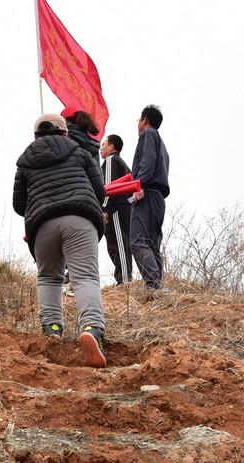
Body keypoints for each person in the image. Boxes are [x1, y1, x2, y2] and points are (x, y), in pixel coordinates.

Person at [12, 114, 109, 368]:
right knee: (85, 276)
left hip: (42, 225)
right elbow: (100, 192)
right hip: (79, 219)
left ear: (35, 137)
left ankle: (52, 330)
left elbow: (18, 205)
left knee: (48, 277)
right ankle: (91, 328)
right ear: (64, 132)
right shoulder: (80, 152)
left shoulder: (24, 161)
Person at [129, 105, 170, 294]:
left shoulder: (148, 135)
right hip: (158, 198)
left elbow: (147, 162)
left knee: (137, 241)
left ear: (144, 120)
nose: (138, 123)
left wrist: (139, 185)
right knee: (152, 243)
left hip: (146, 193)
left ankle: (152, 283)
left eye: (139, 119)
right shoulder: (162, 144)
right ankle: (158, 286)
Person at [100, 134, 133, 284]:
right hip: (124, 207)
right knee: (120, 242)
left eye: (103, 145)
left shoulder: (111, 160)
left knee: (118, 243)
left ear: (112, 147)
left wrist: (105, 208)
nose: (101, 149)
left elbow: (108, 186)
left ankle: (124, 281)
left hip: (115, 208)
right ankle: (124, 278)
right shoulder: (122, 163)